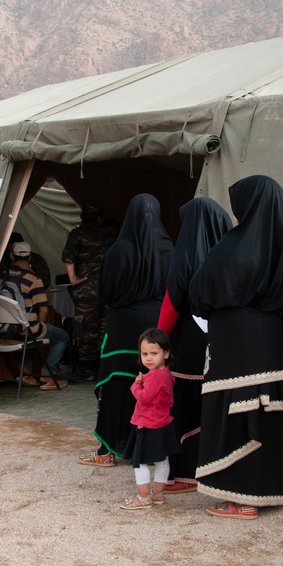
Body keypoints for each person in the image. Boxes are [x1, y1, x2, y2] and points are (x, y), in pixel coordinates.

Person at [188, 176, 283, 519]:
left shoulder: (235, 245)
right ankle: (265, 490)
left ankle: (239, 497)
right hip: (278, 352)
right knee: (269, 416)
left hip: (239, 351)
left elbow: (201, 290)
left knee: (239, 417)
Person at [79, 194, 172, 466]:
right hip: (156, 327)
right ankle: (153, 451)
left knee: (117, 387)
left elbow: (104, 291)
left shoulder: (118, 250)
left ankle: (107, 451)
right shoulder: (169, 249)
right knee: (156, 387)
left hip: (121, 326)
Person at [156, 197, 233, 495]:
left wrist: (158, 341)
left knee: (186, 400)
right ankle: (214, 465)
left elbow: (172, 304)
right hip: (222, 340)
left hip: (189, 341)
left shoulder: (186, 254)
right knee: (211, 398)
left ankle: (187, 471)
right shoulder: (230, 253)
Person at [118, 328, 180, 509]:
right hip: (164, 422)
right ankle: (158, 494)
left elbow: (144, 397)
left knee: (140, 462)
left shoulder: (152, 377)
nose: (149, 358)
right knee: (162, 460)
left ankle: (143, 498)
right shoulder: (166, 373)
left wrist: (137, 384)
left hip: (147, 424)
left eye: (154, 353)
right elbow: (170, 384)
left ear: (166, 353)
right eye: (144, 353)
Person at [0, 241, 70, 390]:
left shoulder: (2, 277)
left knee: (29, 330)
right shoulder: (34, 280)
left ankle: (25, 372)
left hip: (3, 332)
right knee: (62, 336)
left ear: (12, 256)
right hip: (24, 332)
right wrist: (40, 327)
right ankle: (48, 375)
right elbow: (43, 310)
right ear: (30, 258)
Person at [61, 200, 114, 383]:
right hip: (106, 289)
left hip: (85, 291)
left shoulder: (78, 234)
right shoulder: (107, 235)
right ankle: (102, 367)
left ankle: (87, 370)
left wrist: (73, 279)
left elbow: (68, 257)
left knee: (85, 328)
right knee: (103, 326)